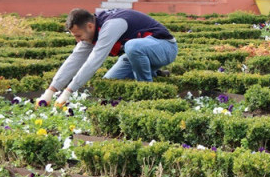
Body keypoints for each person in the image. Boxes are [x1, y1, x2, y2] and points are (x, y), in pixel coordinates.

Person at [37, 8, 178, 106]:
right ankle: (155, 72)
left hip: (165, 47)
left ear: (90, 26)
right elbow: (74, 60)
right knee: (109, 81)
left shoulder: (111, 25)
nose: (77, 41)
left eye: (78, 36)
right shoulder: (91, 29)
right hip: (138, 53)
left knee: (132, 47)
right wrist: (50, 91)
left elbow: (94, 61)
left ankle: (147, 92)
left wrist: (68, 91)